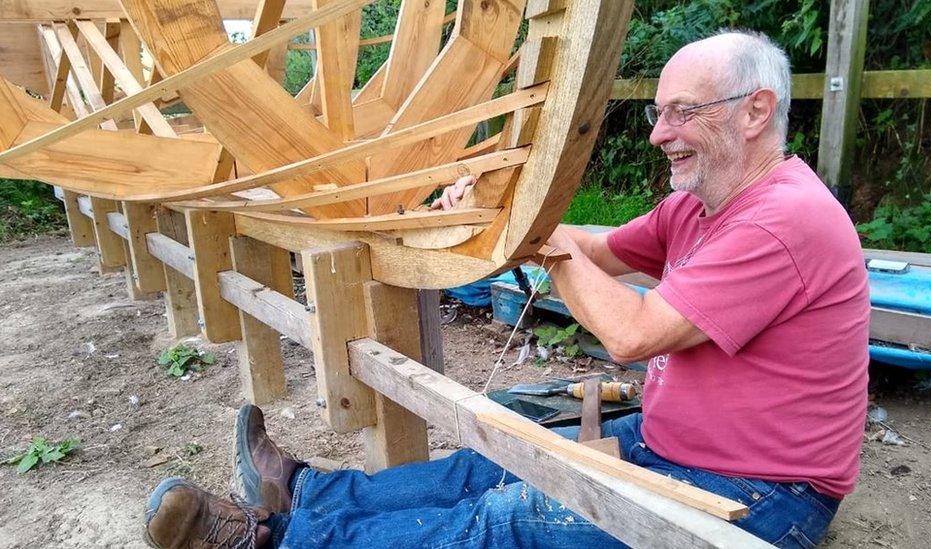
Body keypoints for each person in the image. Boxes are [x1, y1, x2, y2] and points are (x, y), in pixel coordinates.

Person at [142, 30, 869, 548]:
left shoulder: (784, 220)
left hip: (764, 495)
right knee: (493, 461)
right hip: (674, 445)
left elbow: (632, 333)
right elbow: (598, 248)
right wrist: (507, 211)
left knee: (509, 519)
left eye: (684, 113)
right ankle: (307, 492)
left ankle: (272, 540)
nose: (659, 134)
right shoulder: (701, 205)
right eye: (658, 113)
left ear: (756, 111)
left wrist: (545, 244)